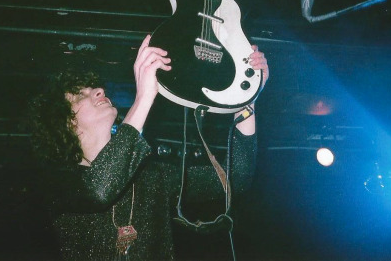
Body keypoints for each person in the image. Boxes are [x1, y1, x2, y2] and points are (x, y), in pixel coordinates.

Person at [28, 34, 269, 260]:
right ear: (66, 121)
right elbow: (99, 190)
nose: (99, 90)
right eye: (81, 95)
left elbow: (235, 179)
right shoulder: (59, 179)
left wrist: (245, 100)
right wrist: (143, 97)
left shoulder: (154, 177)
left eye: (95, 88)